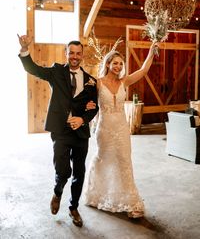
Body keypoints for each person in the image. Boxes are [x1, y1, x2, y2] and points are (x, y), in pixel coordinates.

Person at [18, 34, 98, 227]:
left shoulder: (91, 81)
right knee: (63, 170)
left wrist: (82, 119)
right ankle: (58, 192)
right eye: (71, 53)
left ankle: (73, 208)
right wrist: (24, 50)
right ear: (66, 54)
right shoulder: (56, 71)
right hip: (60, 131)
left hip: (80, 133)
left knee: (79, 171)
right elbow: (33, 69)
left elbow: (94, 106)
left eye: (78, 53)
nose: (75, 56)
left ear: (82, 56)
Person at [84, 42, 158, 219]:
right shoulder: (97, 83)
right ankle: (98, 194)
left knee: (124, 161)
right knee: (105, 159)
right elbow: (85, 101)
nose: (118, 66)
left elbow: (143, 70)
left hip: (121, 128)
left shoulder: (124, 81)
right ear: (108, 64)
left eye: (120, 64)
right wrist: (85, 107)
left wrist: (151, 52)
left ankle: (131, 202)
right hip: (104, 128)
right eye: (115, 63)